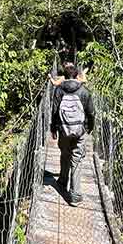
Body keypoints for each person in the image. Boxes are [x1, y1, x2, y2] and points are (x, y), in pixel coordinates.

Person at [50, 62, 95, 206]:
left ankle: (62, 181)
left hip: (63, 129)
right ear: (77, 76)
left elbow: (55, 111)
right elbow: (91, 112)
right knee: (76, 159)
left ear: (64, 76)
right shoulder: (84, 91)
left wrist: (53, 129)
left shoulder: (58, 90)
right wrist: (89, 127)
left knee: (64, 153)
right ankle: (75, 195)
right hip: (79, 131)